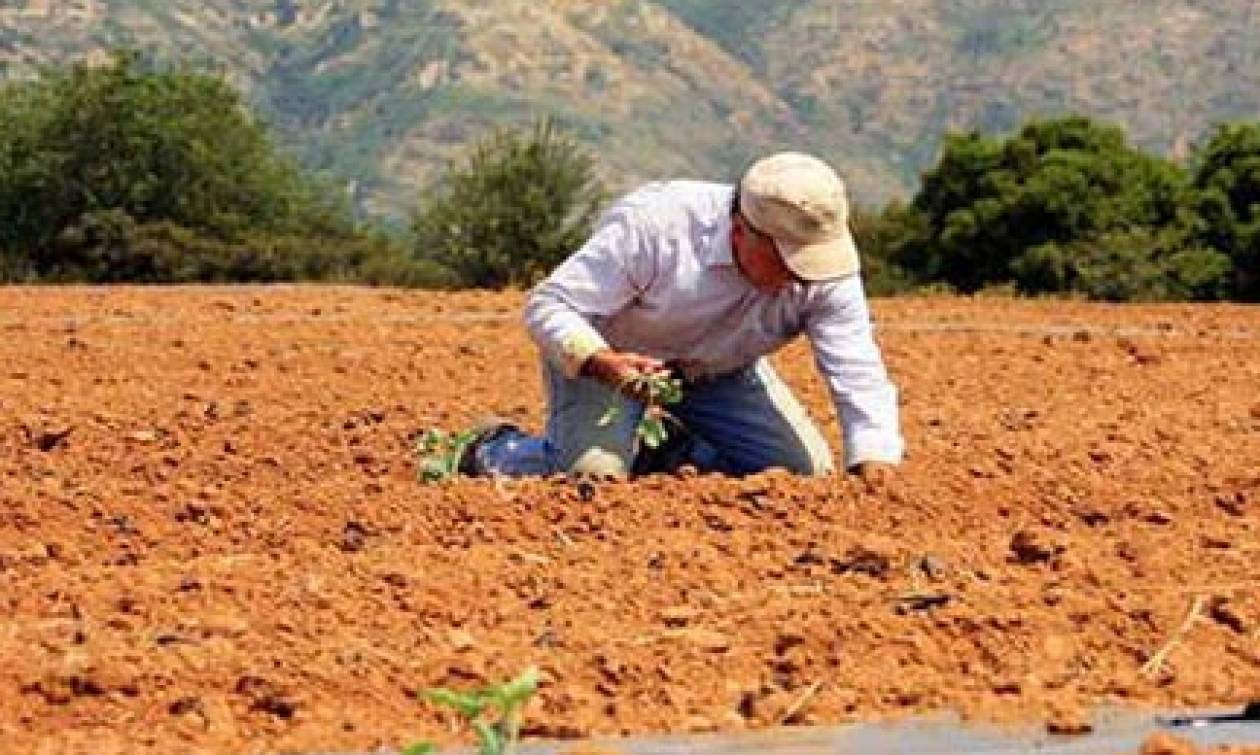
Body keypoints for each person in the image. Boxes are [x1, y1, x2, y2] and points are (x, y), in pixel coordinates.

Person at [456, 151, 903, 482]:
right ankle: (494, 450)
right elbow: (550, 305)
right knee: (591, 478)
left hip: (719, 373)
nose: (801, 277)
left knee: (800, 474)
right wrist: (601, 361)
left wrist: (874, 460)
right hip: (610, 363)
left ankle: (663, 452)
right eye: (788, 260)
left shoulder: (825, 269)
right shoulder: (657, 227)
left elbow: (856, 367)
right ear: (743, 231)